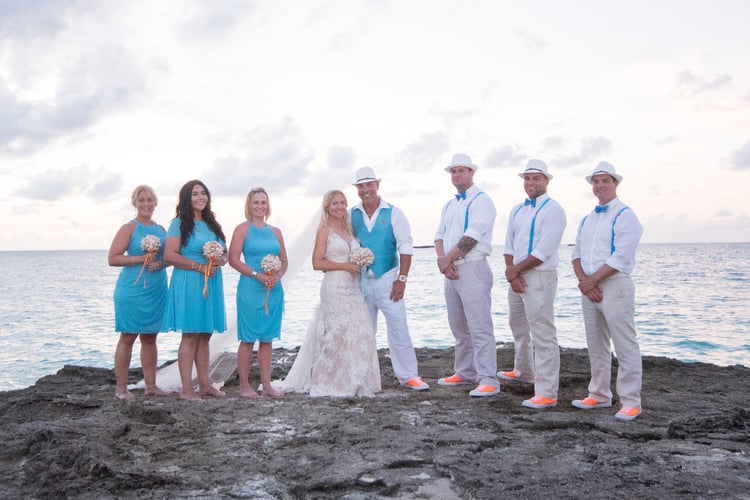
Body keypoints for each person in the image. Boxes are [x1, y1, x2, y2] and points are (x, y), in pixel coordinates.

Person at [275, 190, 381, 397]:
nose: (340, 207)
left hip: (354, 287)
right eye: (335, 204)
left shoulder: (349, 230)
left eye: (342, 203)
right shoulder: (324, 230)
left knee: (360, 331)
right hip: (334, 288)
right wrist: (345, 266)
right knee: (336, 334)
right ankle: (332, 380)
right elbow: (317, 263)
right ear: (327, 208)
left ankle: (357, 379)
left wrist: (360, 264)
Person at [571, 161, 644, 421]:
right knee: (596, 344)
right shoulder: (587, 219)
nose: (600, 185)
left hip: (615, 286)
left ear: (616, 183)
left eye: (605, 180)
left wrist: (592, 281)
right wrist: (584, 281)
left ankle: (631, 401)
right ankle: (599, 394)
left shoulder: (626, 215)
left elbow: (621, 257)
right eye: (596, 181)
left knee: (625, 343)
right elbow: (576, 254)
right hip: (589, 287)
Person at [350, 166, 428, 391]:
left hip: (388, 279)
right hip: (361, 282)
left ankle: (409, 376)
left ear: (377, 185)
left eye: (369, 185)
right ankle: (363, 376)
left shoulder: (394, 212)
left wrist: (401, 279)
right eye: (361, 186)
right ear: (357, 189)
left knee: (398, 328)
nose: (366, 190)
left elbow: (405, 246)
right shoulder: (350, 214)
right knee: (364, 331)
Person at [498, 159, 567, 409]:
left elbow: (543, 251)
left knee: (543, 332)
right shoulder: (517, 210)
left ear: (546, 181)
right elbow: (509, 245)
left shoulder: (554, 210)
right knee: (517, 325)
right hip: (516, 276)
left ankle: (547, 391)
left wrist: (515, 271)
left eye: (536, 178)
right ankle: (524, 370)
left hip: (539, 276)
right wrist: (512, 272)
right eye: (527, 178)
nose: (530, 183)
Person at [434, 153, 500, 397]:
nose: (457, 175)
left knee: (480, 325)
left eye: (461, 171)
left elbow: (472, 237)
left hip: (472, 267)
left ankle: (489, 378)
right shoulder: (449, 205)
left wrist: (447, 259)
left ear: (472, 173)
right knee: (458, 326)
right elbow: (438, 236)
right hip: (451, 269)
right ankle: (464, 372)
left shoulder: (482, 200)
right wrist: (444, 262)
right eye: (453, 171)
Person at [163, 180, 229, 401]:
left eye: (203, 193)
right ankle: (186, 390)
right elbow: (170, 255)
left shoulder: (212, 224)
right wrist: (199, 267)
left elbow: (225, 252)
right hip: (189, 281)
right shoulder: (179, 223)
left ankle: (205, 385)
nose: (200, 197)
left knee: (205, 334)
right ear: (186, 198)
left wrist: (222, 259)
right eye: (195, 194)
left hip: (211, 282)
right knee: (190, 334)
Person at [108, 185, 170, 400]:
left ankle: (151, 385)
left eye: (149, 200)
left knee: (150, 337)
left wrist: (160, 263)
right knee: (127, 336)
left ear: (155, 203)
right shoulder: (129, 228)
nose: (145, 204)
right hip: (132, 290)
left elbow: (169, 258)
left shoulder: (161, 230)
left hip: (157, 289)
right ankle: (121, 389)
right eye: (141, 200)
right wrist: (140, 259)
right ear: (134, 203)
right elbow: (113, 258)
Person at [228, 188, 287, 399]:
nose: (260, 206)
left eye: (263, 202)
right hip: (251, 288)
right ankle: (244, 386)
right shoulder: (242, 229)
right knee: (247, 338)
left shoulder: (276, 232)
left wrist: (277, 275)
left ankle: (267, 385)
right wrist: (257, 275)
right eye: (256, 202)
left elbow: (284, 260)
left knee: (267, 338)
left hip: (273, 289)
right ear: (249, 205)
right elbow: (233, 259)